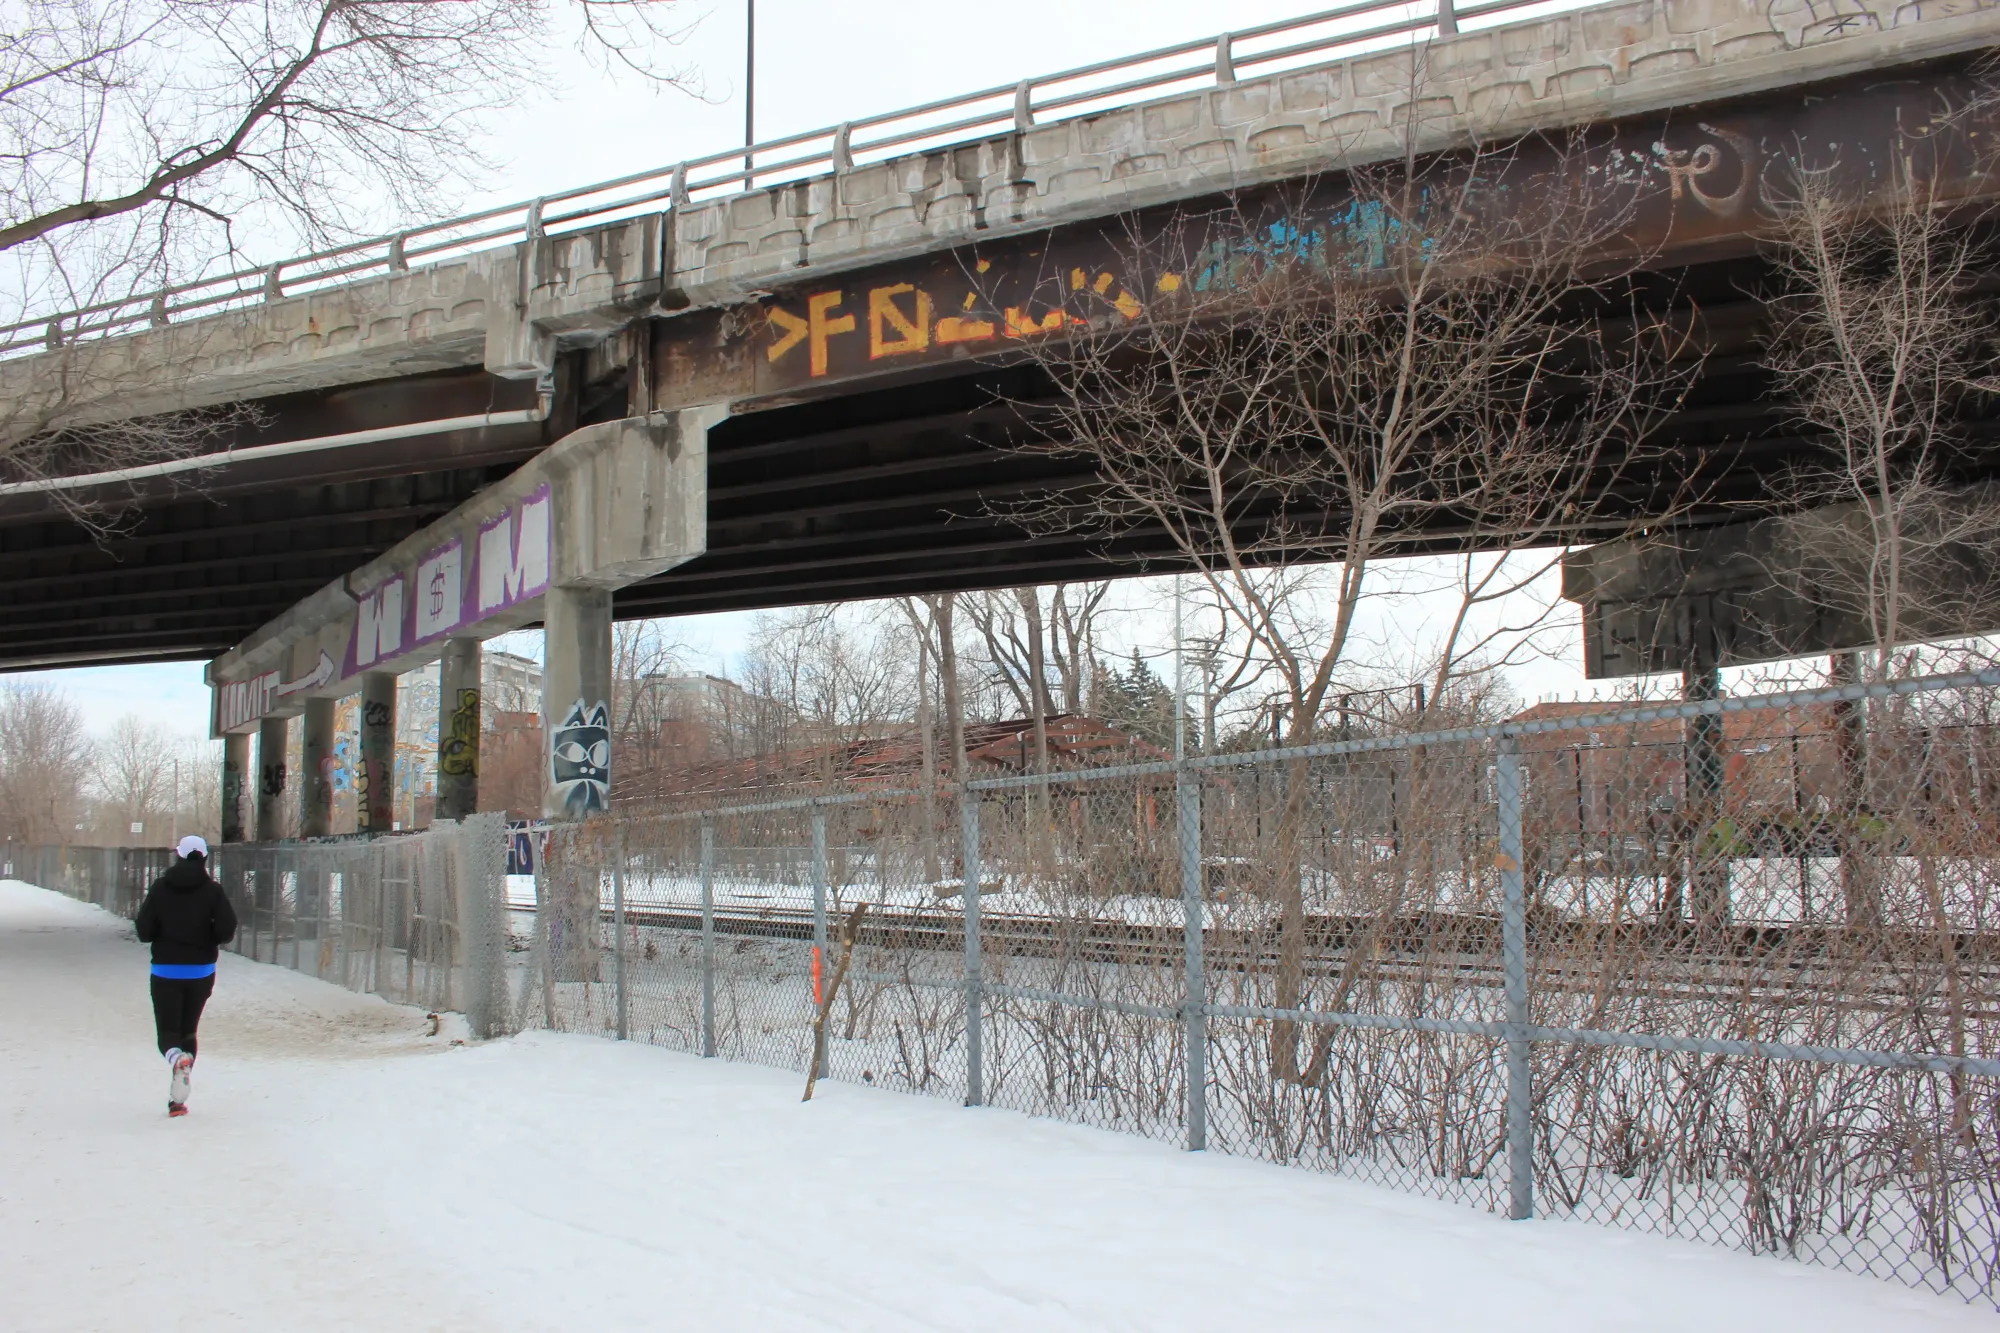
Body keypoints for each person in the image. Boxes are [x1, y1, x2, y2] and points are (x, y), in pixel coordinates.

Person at [134, 835, 238, 1117]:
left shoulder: (160, 889)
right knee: (189, 1029)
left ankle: (176, 1058)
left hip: (166, 969)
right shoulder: (213, 891)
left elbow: (144, 930)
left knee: (168, 1034)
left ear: (178, 855)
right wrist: (209, 936)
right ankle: (177, 1098)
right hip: (201, 970)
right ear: (204, 858)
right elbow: (227, 929)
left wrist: (163, 933)